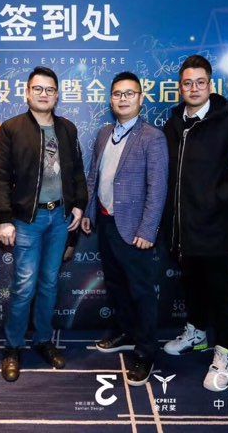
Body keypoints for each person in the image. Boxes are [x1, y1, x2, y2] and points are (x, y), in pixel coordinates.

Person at [161, 55, 228, 392]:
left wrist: (216, 199)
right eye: (187, 83)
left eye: (200, 82)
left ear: (210, 85)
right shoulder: (174, 125)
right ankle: (197, 334)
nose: (193, 88)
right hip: (181, 229)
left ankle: (225, 352)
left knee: (221, 292)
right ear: (180, 87)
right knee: (192, 285)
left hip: (215, 227)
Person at [0, 66, 88, 382]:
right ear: (27, 93)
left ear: (57, 95)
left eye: (50, 89)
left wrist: (78, 205)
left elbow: (77, 172)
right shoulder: (11, 129)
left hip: (60, 218)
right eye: (38, 89)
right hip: (27, 221)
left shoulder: (67, 129)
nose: (44, 94)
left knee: (49, 284)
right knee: (24, 286)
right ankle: (13, 347)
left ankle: (43, 340)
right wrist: (4, 219)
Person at [82, 72, 169, 386]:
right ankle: (125, 332)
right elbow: (94, 176)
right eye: (117, 93)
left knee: (141, 291)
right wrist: (90, 211)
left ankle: (146, 352)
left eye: (129, 93)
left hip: (135, 228)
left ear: (140, 99)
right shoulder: (105, 133)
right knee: (116, 285)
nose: (123, 99)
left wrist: (147, 230)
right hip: (106, 222)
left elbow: (157, 188)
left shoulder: (152, 137)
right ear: (111, 99)